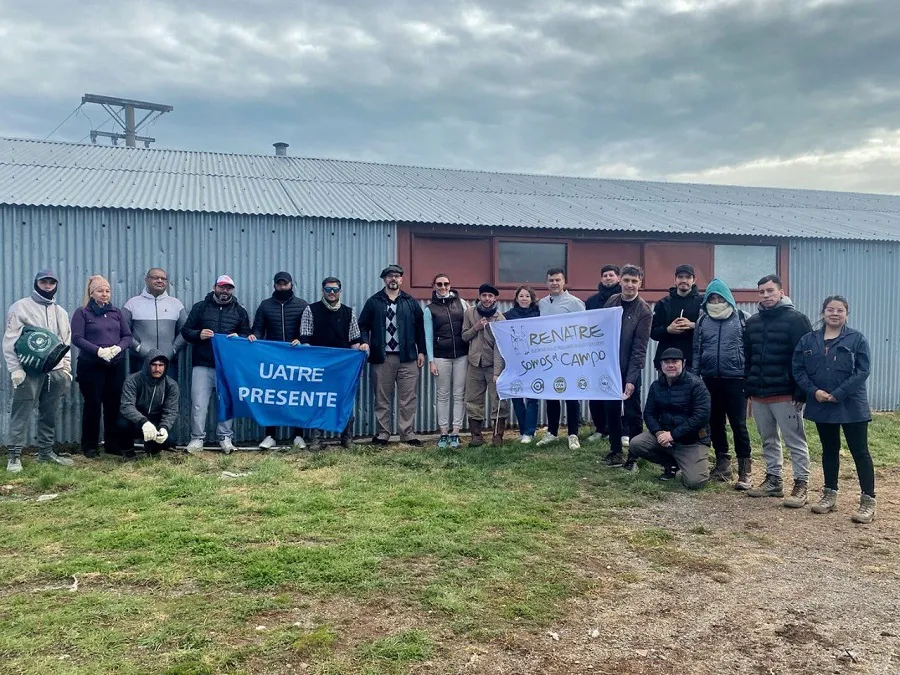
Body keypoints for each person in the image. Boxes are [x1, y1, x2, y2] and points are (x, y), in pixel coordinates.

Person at [793, 296, 875, 523]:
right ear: (823, 313)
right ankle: (829, 494)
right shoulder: (808, 340)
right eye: (830, 310)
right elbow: (798, 369)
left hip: (851, 404)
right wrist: (814, 391)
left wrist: (839, 393)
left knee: (860, 451)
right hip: (822, 403)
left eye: (840, 310)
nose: (835, 314)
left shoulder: (857, 339)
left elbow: (863, 370)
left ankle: (868, 500)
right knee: (829, 450)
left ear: (846, 314)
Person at [744, 274, 813, 507]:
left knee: (795, 440)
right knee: (768, 439)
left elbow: (805, 358)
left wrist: (801, 390)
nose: (766, 295)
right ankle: (773, 480)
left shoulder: (797, 320)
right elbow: (748, 358)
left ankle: (801, 484)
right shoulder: (753, 322)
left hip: (786, 394)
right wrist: (748, 386)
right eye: (761, 292)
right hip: (759, 393)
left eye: (770, 290)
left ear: (781, 292)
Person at [3, 269, 75, 471]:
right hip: (29, 370)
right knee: (21, 412)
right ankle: (14, 456)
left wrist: (66, 369)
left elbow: (65, 342)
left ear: (56, 285)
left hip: (55, 371)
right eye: (44, 282)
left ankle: (45, 452)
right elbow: (10, 340)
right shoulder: (20, 307)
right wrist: (15, 369)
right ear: (36, 283)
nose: (47, 285)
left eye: (51, 282)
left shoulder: (61, 312)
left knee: (49, 413)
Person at [691, 278, 753, 486]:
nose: (716, 302)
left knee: (738, 424)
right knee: (715, 422)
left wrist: (748, 376)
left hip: (736, 380)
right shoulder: (702, 321)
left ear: (728, 298)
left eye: (719, 297)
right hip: (709, 379)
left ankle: (745, 470)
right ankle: (722, 464)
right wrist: (695, 378)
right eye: (712, 298)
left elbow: (749, 350)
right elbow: (697, 350)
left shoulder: (742, 318)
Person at [358, 264, 426, 446]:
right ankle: (383, 434)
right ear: (384, 280)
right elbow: (363, 325)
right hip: (382, 357)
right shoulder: (374, 301)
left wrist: (422, 351)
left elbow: (421, 328)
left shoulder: (410, 302)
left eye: (396, 276)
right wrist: (365, 341)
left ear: (401, 280)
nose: (393, 279)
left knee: (408, 398)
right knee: (382, 398)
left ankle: (407, 434)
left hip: (408, 357)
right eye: (390, 276)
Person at [182, 275, 251, 454]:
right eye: (222, 287)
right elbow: (186, 331)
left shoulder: (240, 312)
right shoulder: (200, 307)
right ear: (214, 288)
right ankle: (197, 439)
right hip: (202, 364)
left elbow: (247, 335)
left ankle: (225, 438)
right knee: (199, 404)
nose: (225, 291)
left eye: (228, 288)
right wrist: (198, 335)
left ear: (232, 290)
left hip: (227, 367)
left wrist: (239, 338)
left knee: (226, 403)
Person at [299, 276, 369, 451]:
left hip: (343, 368)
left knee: (345, 401)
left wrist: (356, 364)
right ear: (322, 291)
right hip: (319, 367)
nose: (332, 292)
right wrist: (311, 365)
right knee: (318, 401)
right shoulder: (311, 310)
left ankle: (347, 438)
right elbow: (305, 340)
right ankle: (316, 439)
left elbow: (354, 340)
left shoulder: (348, 312)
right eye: (328, 289)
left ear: (340, 291)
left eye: (335, 289)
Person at [625, 348, 711, 489]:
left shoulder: (696, 385)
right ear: (661, 365)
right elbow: (649, 414)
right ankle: (671, 464)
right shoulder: (656, 386)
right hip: (665, 438)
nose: (671, 365)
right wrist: (659, 433)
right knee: (636, 444)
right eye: (666, 362)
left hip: (691, 441)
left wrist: (673, 435)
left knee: (695, 482)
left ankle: (687, 466)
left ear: (683, 363)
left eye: (675, 361)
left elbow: (701, 417)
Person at [71, 275, 132, 458]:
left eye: (107, 291)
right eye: (100, 291)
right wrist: (98, 351)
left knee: (113, 404)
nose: (104, 294)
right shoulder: (82, 312)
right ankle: (89, 445)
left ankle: (112, 444)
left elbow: (127, 336)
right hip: (91, 366)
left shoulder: (116, 312)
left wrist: (118, 348)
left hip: (115, 365)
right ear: (91, 293)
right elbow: (77, 338)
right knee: (93, 404)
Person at [250, 271, 309, 451]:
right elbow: (258, 328)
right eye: (279, 284)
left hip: (296, 358)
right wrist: (254, 336)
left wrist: (301, 339)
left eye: (286, 284)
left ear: (291, 284)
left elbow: (308, 330)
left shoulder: (302, 305)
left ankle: (298, 435)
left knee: (297, 397)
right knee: (272, 397)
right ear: (275, 285)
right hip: (272, 359)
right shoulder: (265, 305)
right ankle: (270, 435)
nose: (283, 287)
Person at [602, 264, 652, 466]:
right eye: (626, 280)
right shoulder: (612, 301)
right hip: (610, 368)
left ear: (640, 283)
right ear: (620, 281)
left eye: (634, 281)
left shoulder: (644, 311)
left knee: (632, 412)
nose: (630, 285)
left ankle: (634, 454)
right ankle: (615, 450)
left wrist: (631, 379)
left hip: (630, 368)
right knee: (611, 410)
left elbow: (639, 348)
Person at [535, 268, 586, 450]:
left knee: (571, 396)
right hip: (549, 358)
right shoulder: (542, 303)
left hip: (569, 358)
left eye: (558, 280)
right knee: (551, 396)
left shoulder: (575, 303)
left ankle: (573, 434)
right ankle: (552, 433)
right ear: (546, 282)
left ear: (564, 281)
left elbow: (583, 329)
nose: (554, 283)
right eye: (551, 280)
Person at [423, 273, 469, 449]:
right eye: (439, 284)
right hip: (441, 357)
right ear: (434, 286)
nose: (443, 287)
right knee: (442, 395)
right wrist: (431, 360)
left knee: (459, 394)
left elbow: (468, 325)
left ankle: (455, 432)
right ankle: (443, 433)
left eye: (446, 284)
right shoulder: (430, 309)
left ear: (450, 285)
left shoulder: (462, 303)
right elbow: (428, 337)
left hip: (461, 356)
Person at [462, 283, 508, 447]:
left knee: (498, 401)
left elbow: (499, 348)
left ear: (495, 299)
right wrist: (476, 328)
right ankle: (476, 436)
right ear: (479, 296)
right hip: (475, 364)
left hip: (492, 366)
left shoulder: (499, 318)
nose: (487, 299)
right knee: (473, 400)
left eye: (490, 296)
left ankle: (497, 436)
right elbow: (464, 336)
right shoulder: (470, 313)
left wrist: (497, 372)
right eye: (484, 295)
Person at [121, 267, 187, 374]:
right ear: (146, 280)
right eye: (155, 278)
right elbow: (123, 330)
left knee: (168, 386)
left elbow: (185, 331)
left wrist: (173, 350)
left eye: (163, 278)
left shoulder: (176, 304)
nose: (160, 281)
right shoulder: (132, 304)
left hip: (168, 362)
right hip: (140, 361)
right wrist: (138, 348)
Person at [117, 350, 179, 458]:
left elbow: (171, 411)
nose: (157, 369)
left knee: (169, 440)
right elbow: (127, 406)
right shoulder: (133, 380)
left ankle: (152, 449)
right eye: (154, 365)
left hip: (155, 422)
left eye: (161, 365)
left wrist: (164, 427)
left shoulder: (171, 385)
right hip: (136, 421)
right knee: (121, 423)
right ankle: (128, 451)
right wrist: (144, 422)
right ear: (147, 365)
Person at [586, 264, 622, 442]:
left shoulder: (624, 298)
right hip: (596, 352)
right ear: (601, 278)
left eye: (611, 275)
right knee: (596, 390)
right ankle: (600, 428)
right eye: (605, 275)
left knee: (619, 391)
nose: (608, 278)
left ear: (618, 278)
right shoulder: (591, 301)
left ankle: (622, 429)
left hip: (618, 351)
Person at [503, 286, 540, 443]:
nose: (524, 299)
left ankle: (530, 432)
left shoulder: (539, 315)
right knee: (516, 396)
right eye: (521, 296)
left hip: (534, 362)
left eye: (527, 296)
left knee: (532, 397)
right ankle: (524, 430)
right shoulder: (507, 316)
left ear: (532, 299)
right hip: (514, 363)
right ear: (516, 298)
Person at [651, 264, 703, 370]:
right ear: (675, 280)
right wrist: (667, 330)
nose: (684, 280)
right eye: (680, 277)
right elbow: (652, 332)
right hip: (667, 361)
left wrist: (693, 325)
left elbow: (711, 330)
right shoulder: (663, 303)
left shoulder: (702, 303)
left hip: (693, 363)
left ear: (694, 280)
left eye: (688, 277)